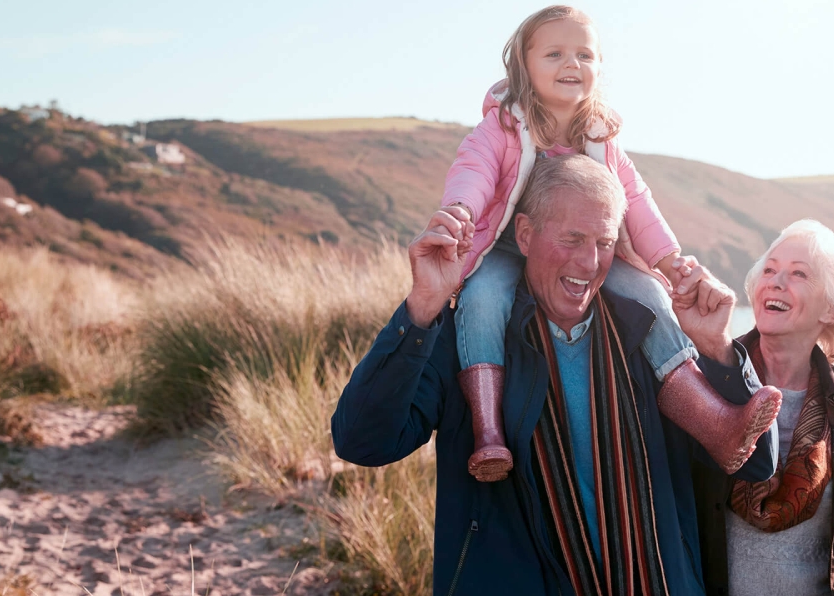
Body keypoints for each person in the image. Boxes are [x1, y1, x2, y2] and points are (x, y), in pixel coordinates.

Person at [332, 154, 781, 596]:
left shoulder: (650, 336)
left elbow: (756, 463)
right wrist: (422, 306)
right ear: (524, 235)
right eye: (571, 239)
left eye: (604, 243)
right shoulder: (467, 339)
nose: (589, 263)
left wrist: (717, 348)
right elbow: (363, 442)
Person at [440, 4, 779, 483]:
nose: (571, 64)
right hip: (506, 246)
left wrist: (667, 258)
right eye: (554, 53)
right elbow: (473, 171)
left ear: (599, 68)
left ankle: (715, 422)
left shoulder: (602, 139)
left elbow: (635, 200)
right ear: (523, 63)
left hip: (589, 250)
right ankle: (489, 431)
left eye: (585, 54)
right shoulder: (504, 126)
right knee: (482, 299)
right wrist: (460, 212)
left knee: (651, 295)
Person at [693, 219, 834, 595]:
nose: (775, 281)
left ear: (831, 309)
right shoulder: (708, 380)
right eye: (769, 270)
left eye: (798, 274)